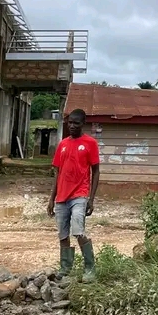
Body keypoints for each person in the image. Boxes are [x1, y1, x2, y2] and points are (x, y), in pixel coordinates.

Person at [47, 108, 100, 282]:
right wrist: (51, 199)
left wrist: (91, 199)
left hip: (80, 195)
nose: (72, 126)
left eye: (76, 123)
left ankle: (89, 268)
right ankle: (65, 268)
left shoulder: (90, 143)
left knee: (78, 231)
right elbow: (58, 173)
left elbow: (96, 171)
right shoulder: (62, 144)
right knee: (63, 235)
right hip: (61, 197)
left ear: (83, 124)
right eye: (70, 123)